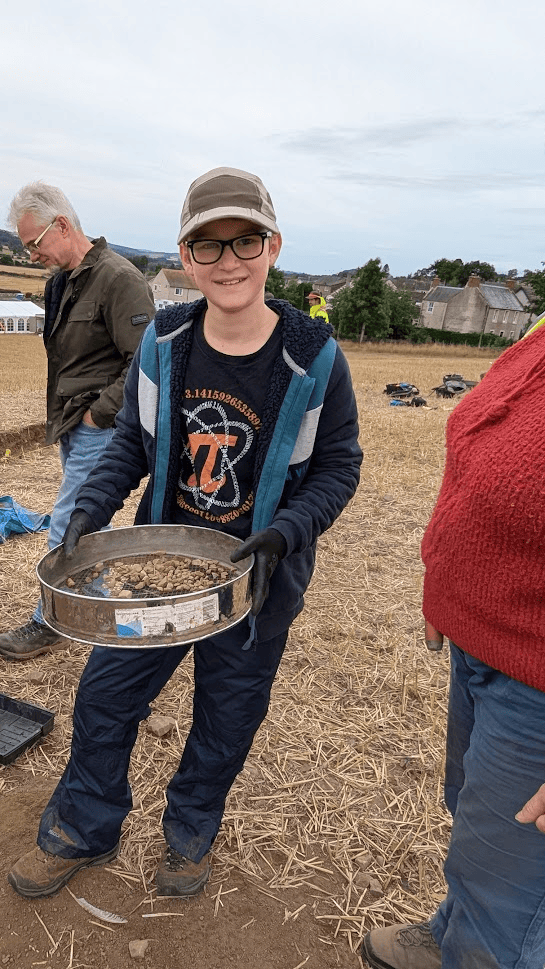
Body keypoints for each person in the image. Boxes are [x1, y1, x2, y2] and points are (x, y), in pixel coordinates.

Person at [8, 167, 362, 900]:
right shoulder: (166, 343)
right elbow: (133, 443)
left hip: (256, 579)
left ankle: (190, 831)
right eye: (208, 245)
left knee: (226, 716)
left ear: (273, 246)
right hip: (155, 569)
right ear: (184, 256)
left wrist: (286, 532)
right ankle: (84, 823)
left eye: (245, 241)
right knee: (105, 696)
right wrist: (88, 510)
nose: (228, 260)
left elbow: (337, 467)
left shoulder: (314, 357)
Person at [361, 324, 545, 969]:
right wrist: (445, 569)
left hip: (538, 684)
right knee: (476, 824)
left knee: (516, 887)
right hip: (485, 645)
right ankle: (453, 936)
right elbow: (480, 451)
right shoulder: (541, 331)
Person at [0, 183, 155, 661]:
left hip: (100, 430)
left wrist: (97, 413)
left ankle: (49, 623)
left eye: (34, 243)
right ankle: (106, 621)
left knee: (67, 525)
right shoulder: (60, 283)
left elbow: (147, 362)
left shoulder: (119, 279)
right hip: (72, 425)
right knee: (87, 531)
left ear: (62, 226)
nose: (31, 253)